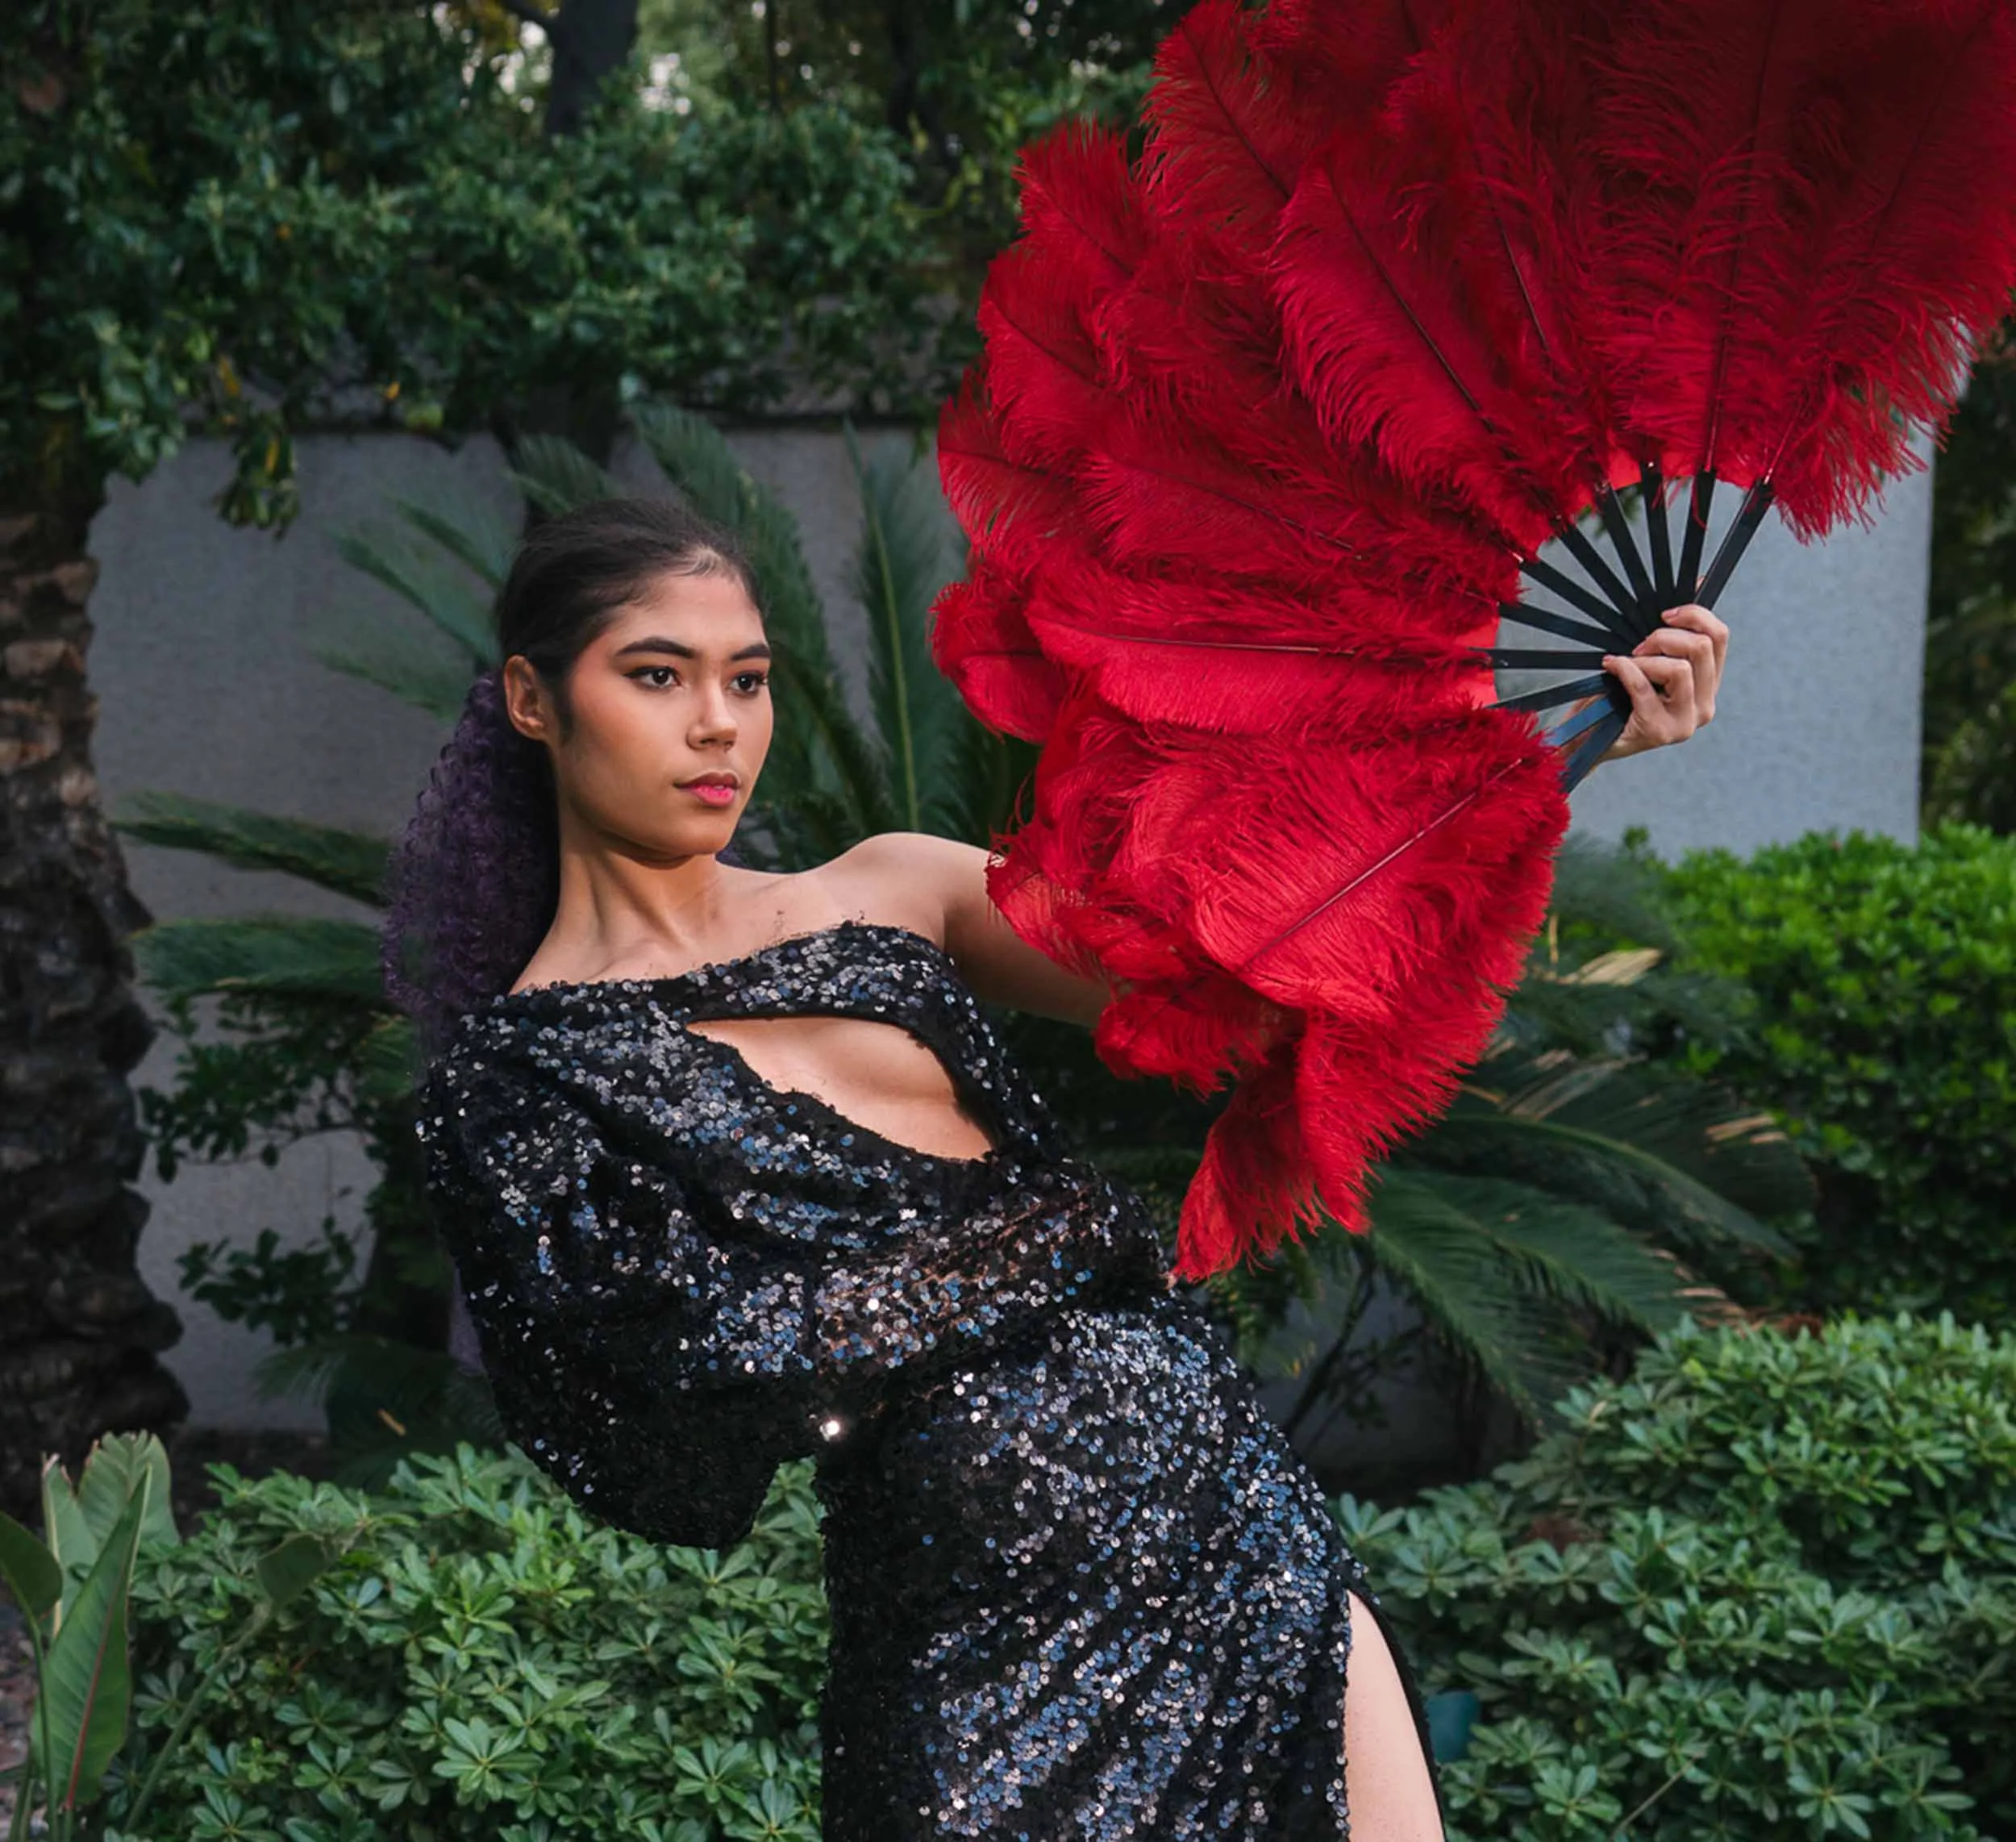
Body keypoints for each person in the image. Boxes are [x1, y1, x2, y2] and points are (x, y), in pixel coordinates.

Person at [389, 496, 1726, 1840]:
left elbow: (1247, 974)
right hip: (975, 1653)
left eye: (748, 679)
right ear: (532, 699)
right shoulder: (513, 1081)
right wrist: (1062, 1236)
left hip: (1234, 1535)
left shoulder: (892, 885)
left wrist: (1564, 749)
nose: (718, 723)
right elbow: (712, 1363)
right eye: (657, 675)